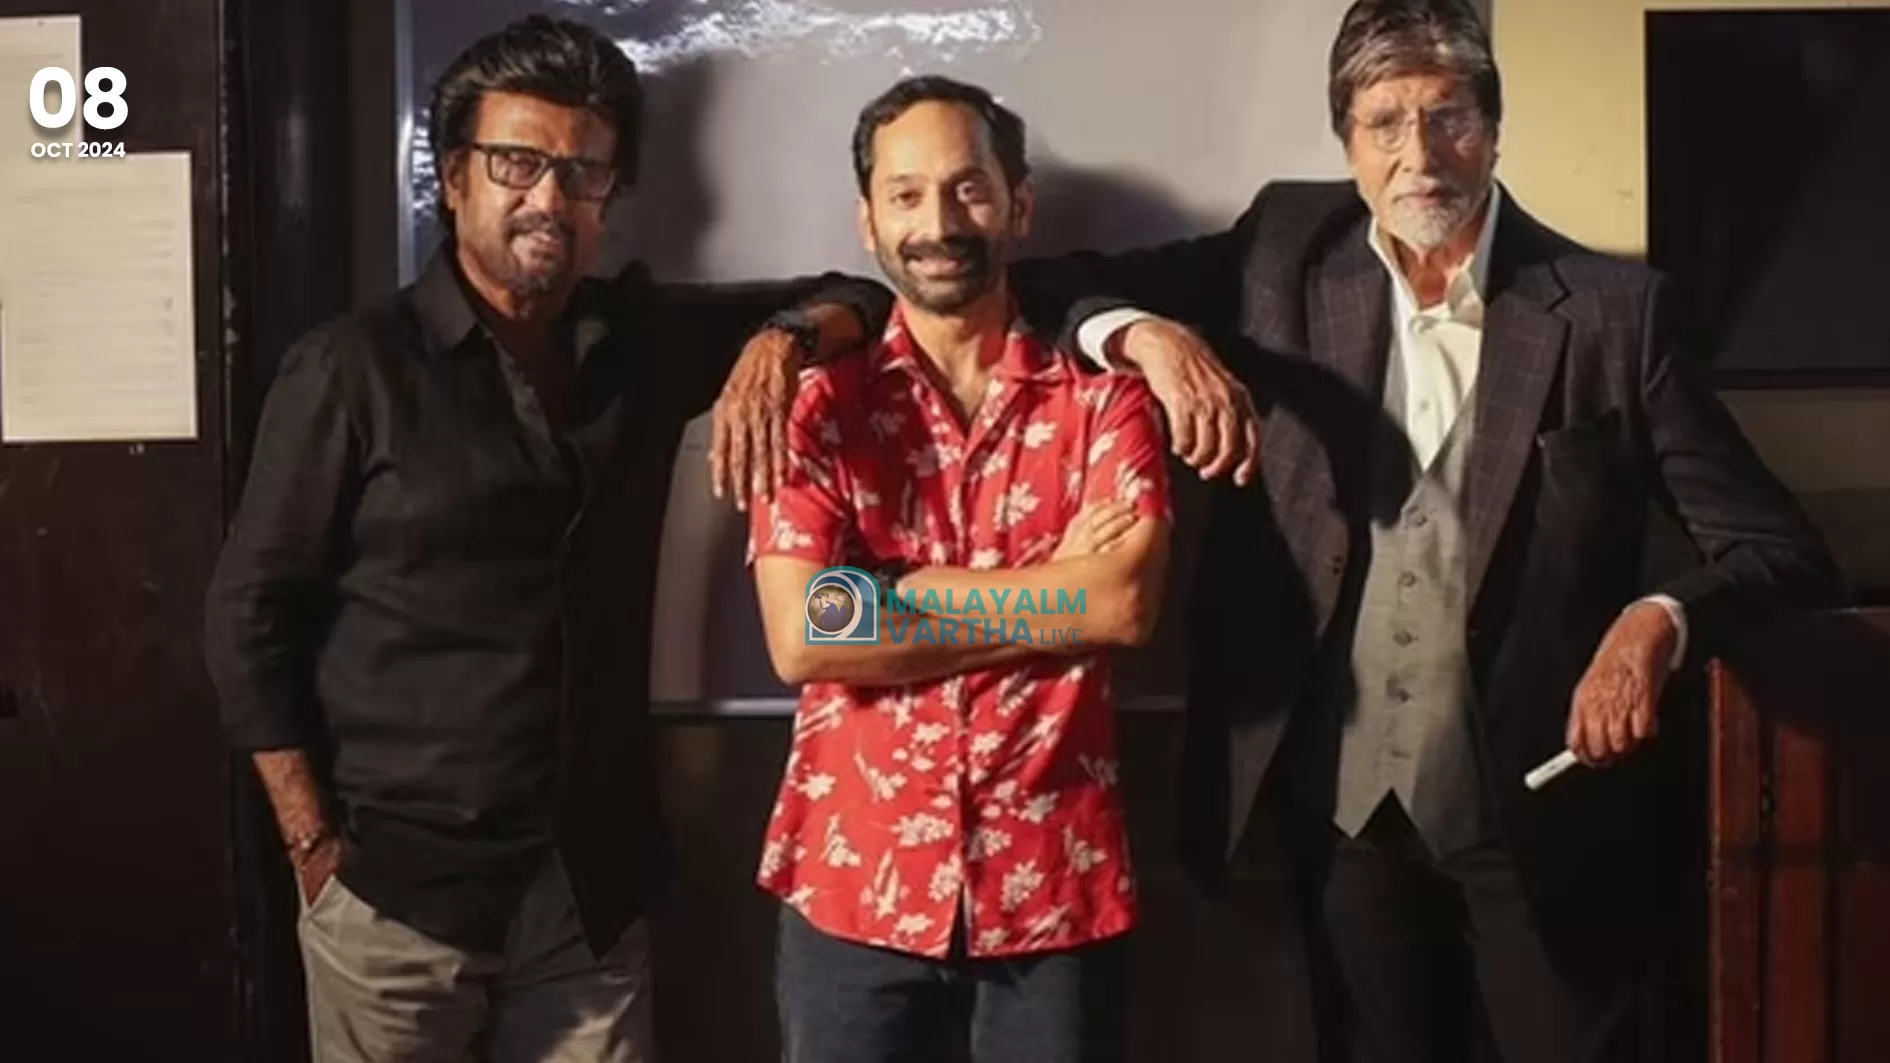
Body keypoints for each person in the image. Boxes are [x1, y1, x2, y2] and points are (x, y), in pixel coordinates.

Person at [981, 0, 1846, 1058]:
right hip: (1340, 811)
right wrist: (1145, 336)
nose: (1419, 155)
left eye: (1449, 117)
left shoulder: (1617, 313)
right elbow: (1047, 287)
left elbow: (1779, 549)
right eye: (1384, 123)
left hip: (1543, 815)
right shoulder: (1285, 251)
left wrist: (1658, 619)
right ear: (1346, 142)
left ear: (1495, 127)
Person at [202, 16, 889, 1063]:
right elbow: (248, 615)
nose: (550, 199)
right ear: (453, 178)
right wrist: (311, 844)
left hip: (589, 888)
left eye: (583, 172)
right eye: (517, 164)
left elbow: (863, 299)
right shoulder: (351, 369)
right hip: (398, 893)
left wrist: (778, 344)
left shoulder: (640, 341)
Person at [746, 76, 1173, 1062]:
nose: (938, 224)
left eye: (967, 188)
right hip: (852, 891)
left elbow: (1121, 602)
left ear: (1018, 205)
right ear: (868, 222)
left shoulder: (1106, 400)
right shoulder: (815, 406)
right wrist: (1053, 592)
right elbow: (804, 634)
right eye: (906, 194)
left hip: (1053, 888)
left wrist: (904, 597)